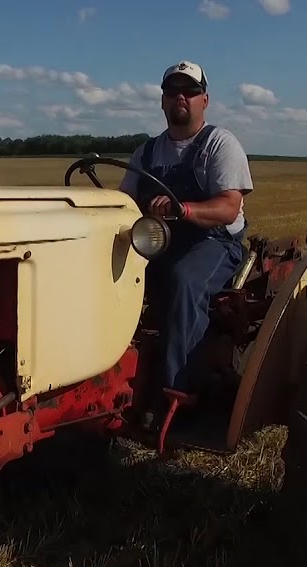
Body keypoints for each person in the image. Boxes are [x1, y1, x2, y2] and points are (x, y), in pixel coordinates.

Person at [119, 60, 254, 409]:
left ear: (204, 100)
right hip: (157, 240)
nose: (181, 97)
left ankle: (180, 394)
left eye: (190, 91)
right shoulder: (146, 152)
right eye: (172, 91)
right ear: (162, 101)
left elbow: (228, 207)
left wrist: (185, 210)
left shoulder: (219, 144)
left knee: (183, 281)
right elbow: (123, 203)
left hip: (213, 241)